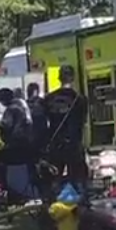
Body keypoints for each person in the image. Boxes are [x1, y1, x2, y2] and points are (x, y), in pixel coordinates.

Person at [40, 65, 89, 195]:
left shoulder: (48, 99)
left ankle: (53, 207)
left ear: (59, 78)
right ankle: (78, 207)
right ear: (73, 78)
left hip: (55, 144)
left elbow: (44, 123)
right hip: (73, 144)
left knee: (54, 180)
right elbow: (82, 122)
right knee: (78, 180)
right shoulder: (80, 99)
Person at [0, 87, 38, 200]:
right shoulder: (21, 105)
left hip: (15, 146)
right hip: (28, 146)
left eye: (1, 101)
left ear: (5, 99)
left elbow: (6, 125)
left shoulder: (11, 109)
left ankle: (2, 189)